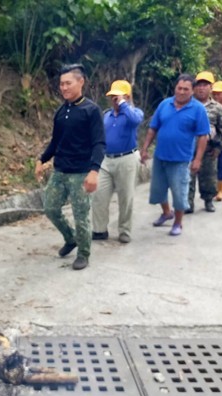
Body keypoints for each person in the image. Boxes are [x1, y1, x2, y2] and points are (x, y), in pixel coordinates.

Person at [35, 64, 105, 270]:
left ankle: (84, 253)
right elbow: (56, 142)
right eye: (61, 84)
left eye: (68, 83)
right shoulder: (61, 111)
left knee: (80, 215)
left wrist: (94, 171)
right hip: (60, 171)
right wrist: (42, 160)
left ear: (80, 82)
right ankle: (70, 238)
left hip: (81, 172)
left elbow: (99, 143)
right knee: (50, 208)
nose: (63, 88)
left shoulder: (91, 110)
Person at [139, 74, 210, 236]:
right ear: (175, 88)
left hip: (181, 159)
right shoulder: (165, 104)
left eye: (186, 89)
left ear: (192, 91)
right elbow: (153, 128)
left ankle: (178, 223)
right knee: (158, 190)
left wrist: (197, 159)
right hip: (160, 156)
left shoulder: (198, 109)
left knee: (179, 193)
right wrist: (145, 149)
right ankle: (166, 212)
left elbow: (203, 136)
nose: (182, 92)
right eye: (179, 88)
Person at [92, 80, 144, 244]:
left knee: (126, 196)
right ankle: (99, 229)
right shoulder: (107, 114)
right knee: (99, 195)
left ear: (127, 97)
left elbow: (136, 121)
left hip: (127, 158)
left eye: (117, 97)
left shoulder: (133, 113)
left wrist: (123, 104)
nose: (114, 100)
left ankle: (124, 230)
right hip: (106, 159)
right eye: (112, 97)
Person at [187, 71, 222, 213]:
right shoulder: (187, 104)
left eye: (205, 85)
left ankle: (208, 200)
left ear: (210, 88)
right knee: (187, 178)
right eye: (199, 85)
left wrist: (218, 148)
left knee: (209, 176)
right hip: (188, 148)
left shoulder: (217, 108)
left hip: (209, 149)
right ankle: (187, 203)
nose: (201, 88)